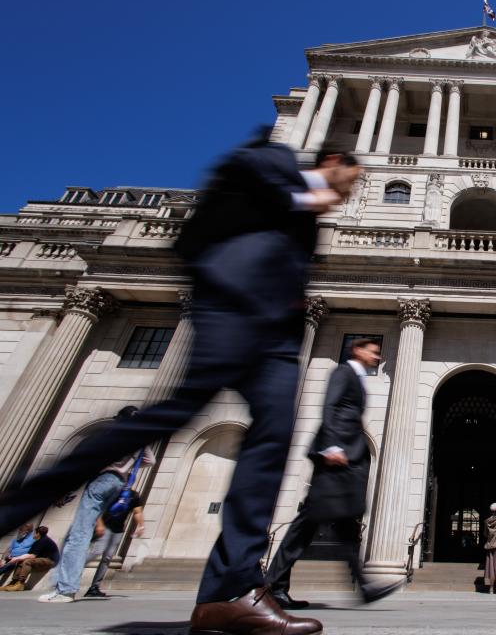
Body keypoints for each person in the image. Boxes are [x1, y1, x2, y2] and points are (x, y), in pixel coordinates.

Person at [0, 131, 361, 635]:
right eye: (348, 180)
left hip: (279, 330)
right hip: (232, 306)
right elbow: (247, 195)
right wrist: (308, 196)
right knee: (170, 415)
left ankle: (229, 591)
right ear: (331, 161)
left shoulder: (307, 207)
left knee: (274, 438)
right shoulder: (272, 159)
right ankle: (15, 504)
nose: (347, 193)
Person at [265, 337, 402, 609]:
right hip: (334, 460)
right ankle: (272, 586)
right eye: (373, 352)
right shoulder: (343, 372)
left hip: (346, 459)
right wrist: (331, 446)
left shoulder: (357, 377)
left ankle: (363, 588)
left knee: (347, 527)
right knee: (306, 527)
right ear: (358, 350)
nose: (377, 357)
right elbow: (330, 406)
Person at [37, 407, 155, 603]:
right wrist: (125, 468)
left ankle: (65, 590)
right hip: (119, 484)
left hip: (102, 480)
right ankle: (64, 585)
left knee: (78, 535)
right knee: (82, 534)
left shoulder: (114, 434)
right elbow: (150, 460)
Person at [83, 488, 146, 598]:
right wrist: (99, 524)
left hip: (118, 530)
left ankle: (94, 587)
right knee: (96, 551)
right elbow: (98, 507)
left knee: (107, 558)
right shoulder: (113, 490)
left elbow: (137, 511)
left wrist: (141, 526)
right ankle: (71, 570)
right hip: (105, 525)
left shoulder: (134, 495)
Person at [1, 526, 59, 592]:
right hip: (42, 559)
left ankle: (20, 583)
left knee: (27, 562)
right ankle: (14, 582)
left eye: (34, 533)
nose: (33, 535)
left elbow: (32, 556)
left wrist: (16, 558)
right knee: (21, 561)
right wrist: (16, 558)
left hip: (50, 560)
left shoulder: (43, 540)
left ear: (38, 533)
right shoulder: (38, 541)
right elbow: (29, 554)